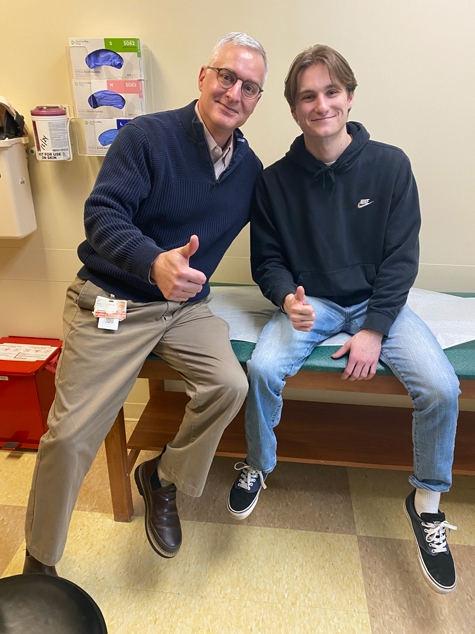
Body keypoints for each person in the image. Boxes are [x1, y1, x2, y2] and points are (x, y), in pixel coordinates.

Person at [23, 32, 268, 574]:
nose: (234, 92)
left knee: (230, 385)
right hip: (117, 299)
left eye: (250, 87)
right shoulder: (146, 136)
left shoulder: (250, 171)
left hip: (184, 309)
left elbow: (281, 235)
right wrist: (153, 262)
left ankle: (162, 478)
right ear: (204, 77)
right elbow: (103, 216)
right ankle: (40, 565)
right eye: (227, 76)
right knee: (69, 436)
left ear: (256, 102)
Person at [227, 44, 460, 595]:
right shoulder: (274, 181)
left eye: (332, 92)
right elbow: (268, 261)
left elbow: (402, 259)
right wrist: (286, 298)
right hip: (314, 304)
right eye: (308, 95)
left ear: (349, 97)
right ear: (293, 109)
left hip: (380, 303)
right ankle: (258, 463)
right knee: (262, 369)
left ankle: (426, 501)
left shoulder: (391, 165)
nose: (321, 104)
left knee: (442, 388)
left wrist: (373, 331)